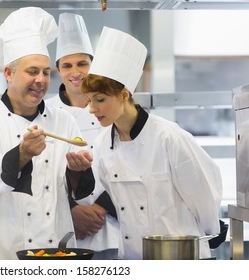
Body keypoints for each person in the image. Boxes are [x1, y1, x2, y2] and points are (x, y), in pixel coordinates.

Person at [0, 7, 95, 260]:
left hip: (56, 251)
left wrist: (78, 171)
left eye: (45, 72)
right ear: (9, 74)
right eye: (32, 72)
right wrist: (21, 154)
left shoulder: (63, 120)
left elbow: (77, 189)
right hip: (2, 252)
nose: (41, 80)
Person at [80, 26, 222, 260]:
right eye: (89, 100)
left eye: (100, 99)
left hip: (180, 256)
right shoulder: (103, 142)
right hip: (132, 258)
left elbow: (205, 196)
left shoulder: (169, 137)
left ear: (124, 94)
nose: (91, 108)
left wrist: (209, 235)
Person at [45, 13, 119, 260]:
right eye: (67, 65)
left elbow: (130, 162)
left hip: (114, 224)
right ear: (58, 69)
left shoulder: (111, 108)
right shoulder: (47, 113)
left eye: (82, 64)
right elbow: (45, 170)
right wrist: (73, 210)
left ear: (93, 64)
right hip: (67, 227)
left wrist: (101, 207)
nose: (75, 72)